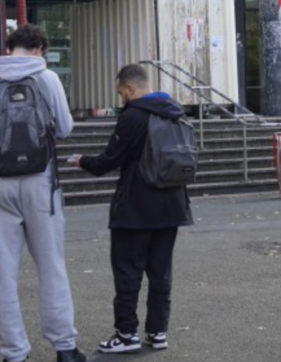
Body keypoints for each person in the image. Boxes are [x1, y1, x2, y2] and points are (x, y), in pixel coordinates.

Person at [0, 24, 86, 362]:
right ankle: (65, 347)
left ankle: (15, 352)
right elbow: (64, 127)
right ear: (39, 49)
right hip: (41, 184)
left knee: (3, 273)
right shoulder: (47, 77)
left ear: (10, 46)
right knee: (52, 266)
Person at [68, 64, 193, 354]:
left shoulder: (134, 116)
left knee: (128, 272)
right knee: (161, 272)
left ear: (132, 89)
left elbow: (108, 161)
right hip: (173, 204)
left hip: (136, 207)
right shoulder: (175, 111)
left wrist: (81, 160)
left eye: (122, 93)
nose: (121, 98)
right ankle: (158, 331)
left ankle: (126, 334)